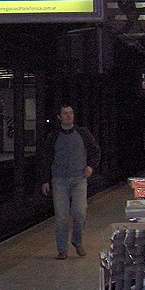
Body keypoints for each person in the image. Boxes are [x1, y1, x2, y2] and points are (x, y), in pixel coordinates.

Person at [40, 104, 101, 259]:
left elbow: (95, 150)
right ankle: (62, 249)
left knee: (80, 212)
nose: (69, 116)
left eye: (71, 113)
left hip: (79, 179)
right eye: (65, 114)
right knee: (61, 215)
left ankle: (77, 241)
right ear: (59, 117)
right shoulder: (53, 137)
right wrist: (45, 180)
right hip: (59, 179)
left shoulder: (83, 133)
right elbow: (47, 158)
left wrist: (91, 166)